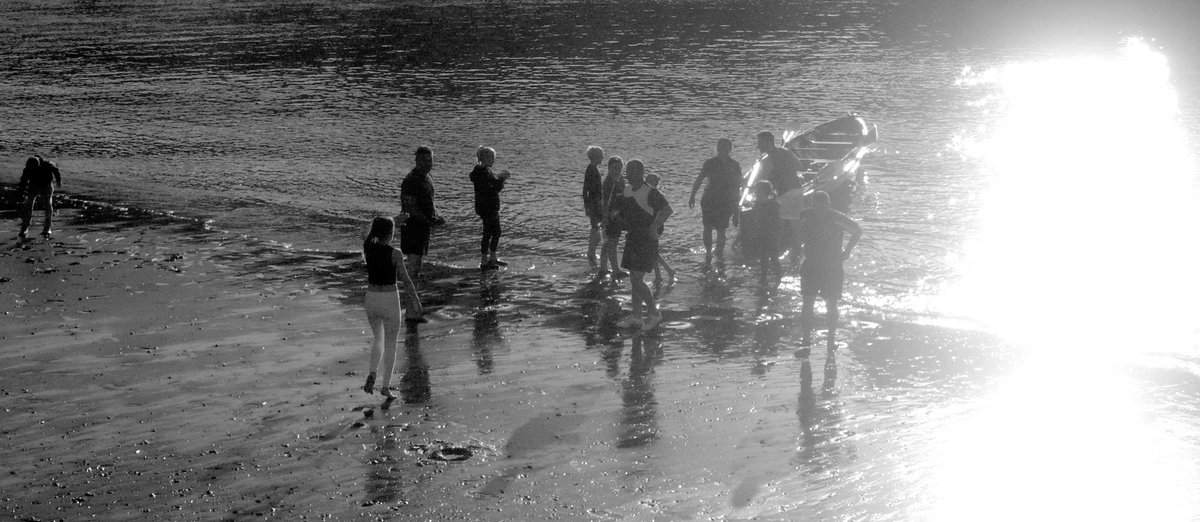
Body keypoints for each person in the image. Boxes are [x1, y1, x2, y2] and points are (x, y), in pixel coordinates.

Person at [361, 216, 423, 399]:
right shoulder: (395, 253)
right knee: (391, 344)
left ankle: (372, 372)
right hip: (389, 299)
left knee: (378, 339)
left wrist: (391, 219)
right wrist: (416, 300)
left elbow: (365, 231)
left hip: (371, 298)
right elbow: (406, 280)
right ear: (390, 233)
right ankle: (385, 387)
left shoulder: (368, 247)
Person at [796, 191, 861, 351]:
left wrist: (847, 252)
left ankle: (831, 339)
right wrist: (797, 247)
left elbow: (857, 231)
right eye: (816, 206)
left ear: (828, 205)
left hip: (831, 265)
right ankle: (805, 339)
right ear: (812, 205)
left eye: (822, 207)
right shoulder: (805, 215)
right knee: (808, 301)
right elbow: (797, 230)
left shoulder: (836, 218)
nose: (819, 210)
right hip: (811, 263)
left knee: (831, 303)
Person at [613, 159, 672, 331]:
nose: (627, 174)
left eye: (631, 171)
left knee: (638, 280)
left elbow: (667, 210)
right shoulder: (626, 190)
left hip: (646, 239)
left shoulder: (650, 192)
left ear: (640, 173)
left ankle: (654, 314)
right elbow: (621, 210)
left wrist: (654, 227)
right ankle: (637, 316)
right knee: (634, 279)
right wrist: (614, 216)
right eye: (627, 171)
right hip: (632, 237)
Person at [688, 138, 742, 271]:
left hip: (716, 200)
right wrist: (692, 195)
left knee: (711, 228)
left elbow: (700, 179)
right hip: (716, 200)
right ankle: (715, 254)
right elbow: (737, 186)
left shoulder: (718, 163)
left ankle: (711, 254)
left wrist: (693, 195)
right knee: (718, 229)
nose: (721, 149)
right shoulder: (731, 164)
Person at [753, 131, 806, 259]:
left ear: (768, 143)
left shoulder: (767, 160)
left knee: (777, 222)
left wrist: (753, 194)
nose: (759, 147)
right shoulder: (786, 151)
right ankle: (796, 251)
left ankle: (776, 251)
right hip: (798, 190)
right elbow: (800, 166)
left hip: (784, 194)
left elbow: (763, 183)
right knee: (795, 222)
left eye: (760, 143)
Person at [399, 146, 444, 283]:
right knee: (414, 262)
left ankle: (412, 290)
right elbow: (409, 207)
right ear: (417, 161)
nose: (428, 163)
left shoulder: (427, 177)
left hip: (424, 226)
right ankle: (410, 293)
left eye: (430, 160)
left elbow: (430, 201)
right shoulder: (411, 180)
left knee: (418, 261)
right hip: (412, 226)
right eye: (424, 160)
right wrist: (428, 221)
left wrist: (436, 215)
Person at [469, 146, 511, 270]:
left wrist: (499, 179)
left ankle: (489, 258)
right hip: (488, 208)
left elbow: (492, 185)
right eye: (492, 158)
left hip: (485, 207)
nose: (493, 161)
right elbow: (494, 188)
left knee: (490, 232)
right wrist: (502, 179)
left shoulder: (482, 171)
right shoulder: (483, 172)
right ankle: (487, 260)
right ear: (485, 158)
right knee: (493, 232)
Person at [740, 181, 782, 288]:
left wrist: (775, 234)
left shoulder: (773, 205)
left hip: (771, 235)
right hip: (761, 235)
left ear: (764, 192)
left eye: (757, 191)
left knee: (774, 258)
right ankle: (763, 279)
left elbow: (776, 222)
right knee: (763, 258)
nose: (755, 193)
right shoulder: (757, 205)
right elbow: (754, 220)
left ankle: (778, 278)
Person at [17, 155, 62, 240]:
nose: (32, 170)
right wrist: (21, 189)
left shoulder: (48, 164)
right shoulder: (28, 167)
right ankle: (25, 227)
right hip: (33, 185)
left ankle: (47, 226)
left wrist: (58, 180)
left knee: (48, 203)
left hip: (46, 185)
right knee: (28, 204)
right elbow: (23, 179)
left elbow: (56, 170)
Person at [644, 173, 676, 286]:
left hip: (656, 226)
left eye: (648, 180)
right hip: (654, 225)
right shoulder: (650, 193)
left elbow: (667, 210)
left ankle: (668, 271)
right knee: (653, 251)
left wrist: (654, 226)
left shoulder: (655, 195)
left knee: (652, 252)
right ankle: (659, 276)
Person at [599, 156, 627, 278]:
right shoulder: (609, 183)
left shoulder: (621, 180)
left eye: (619, 168)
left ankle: (603, 267)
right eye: (614, 168)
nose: (617, 171)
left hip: (618, 215)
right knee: (612, 242)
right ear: (609, 168)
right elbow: (605, 202)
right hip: (611, 216)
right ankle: (615, 269)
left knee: (608, 242)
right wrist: (605, 218)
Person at [582, 146, 605, 267]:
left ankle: (591, 251)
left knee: (596, 228)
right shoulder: (592, 170)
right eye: (601, 156)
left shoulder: (592, 169)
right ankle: (591, 252)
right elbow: (586, 189)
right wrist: (588, 205)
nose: (602, 158)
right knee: (595, 228)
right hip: (594, 203)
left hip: (595, 202)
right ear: (595, 157)